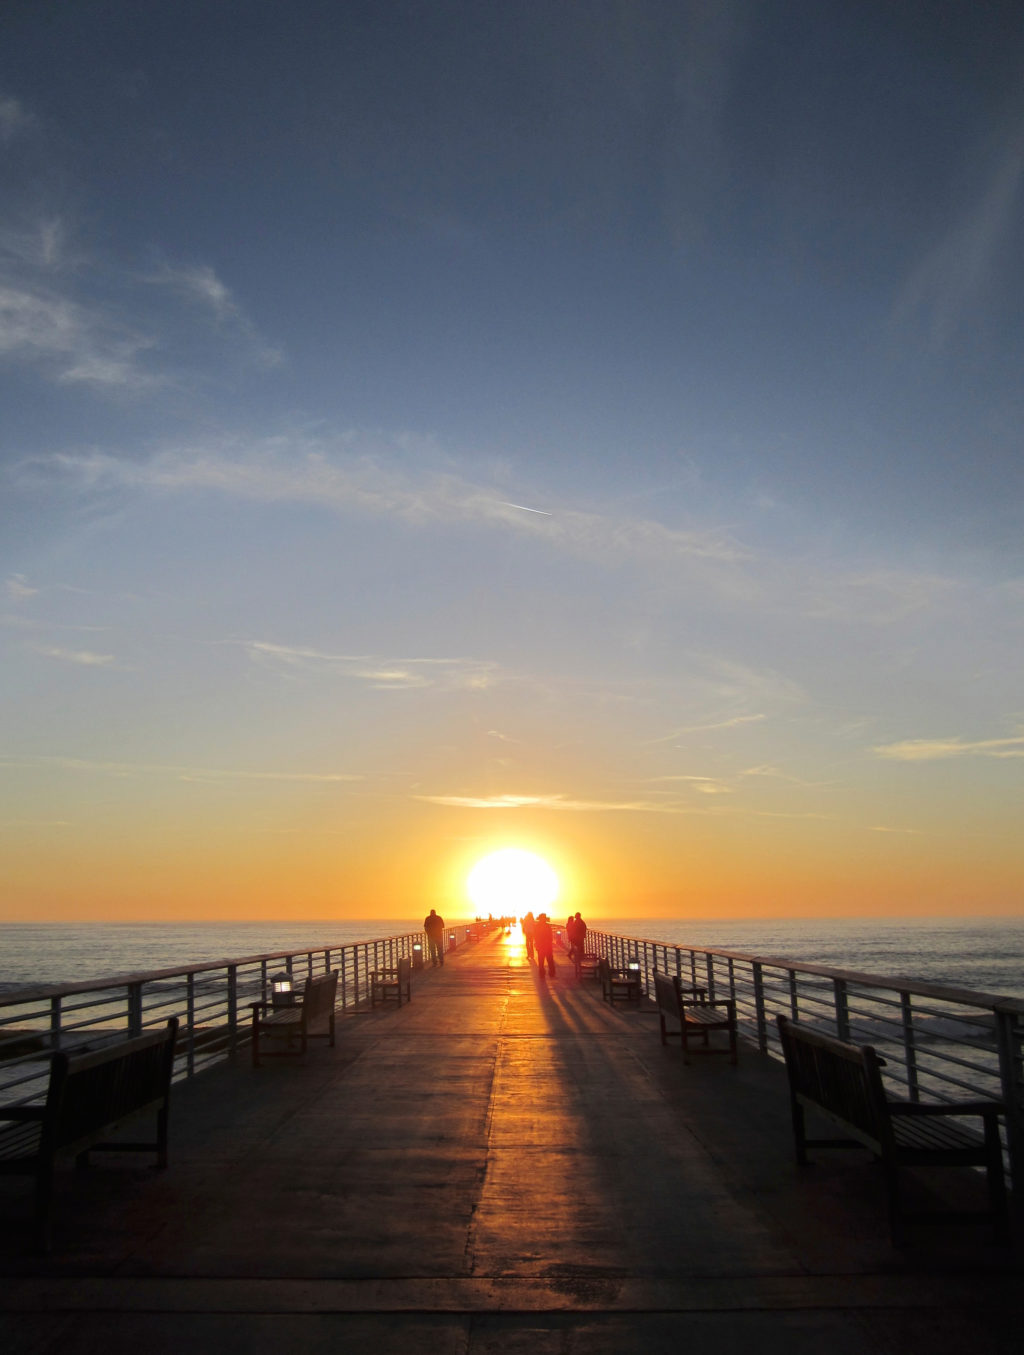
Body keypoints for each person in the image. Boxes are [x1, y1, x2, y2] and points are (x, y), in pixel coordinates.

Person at [534, 912, 555, 978]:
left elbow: (535, 936)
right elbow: (550, 936)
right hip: (547, 945)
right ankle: (551, 973)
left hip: (541, 945)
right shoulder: (547, 926)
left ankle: (542, 973)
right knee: (549, 960)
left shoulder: (537, 926)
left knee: (541, 960)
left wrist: (537, 944)